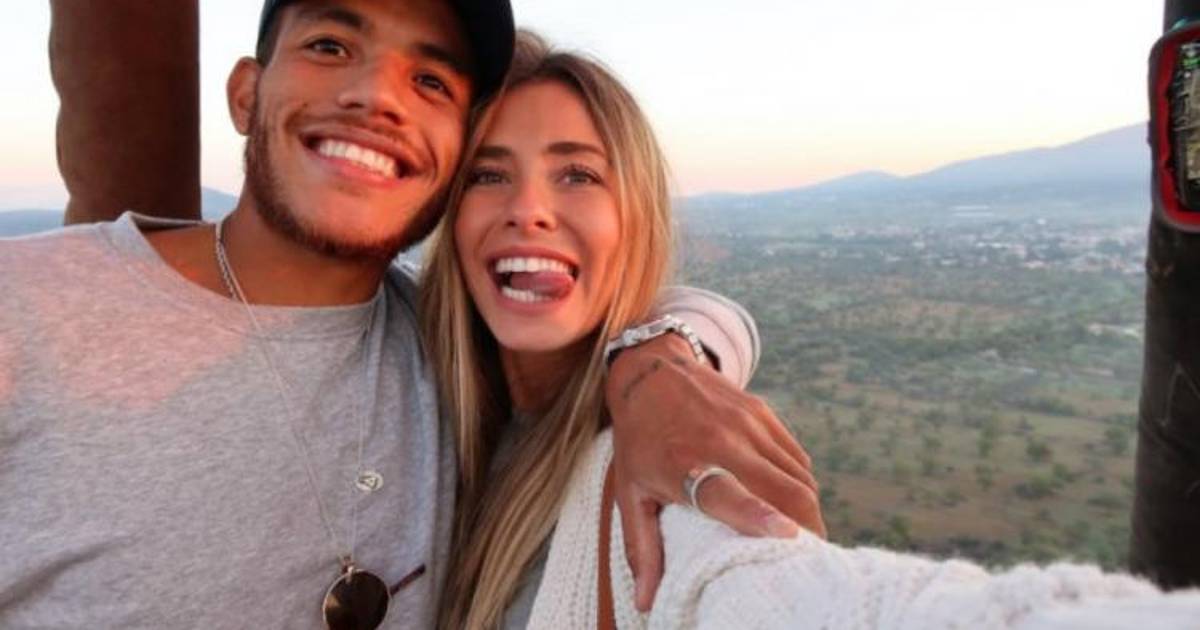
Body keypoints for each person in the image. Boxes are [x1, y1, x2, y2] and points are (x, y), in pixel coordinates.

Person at [0, 2, 820, 628]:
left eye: (430, 81)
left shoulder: (447, 354)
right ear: (247, 93)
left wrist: (660, 364)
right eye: (331, 46)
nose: (374, 97)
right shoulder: (24, 307)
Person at [423, 31, 1200, 629]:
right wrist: (662, 354)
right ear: (447, 213)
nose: (528, 209)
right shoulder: (417, 392)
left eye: (578, 174)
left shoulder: (656, 483)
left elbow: (796, 598)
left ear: (636, 219)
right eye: (488, 173)